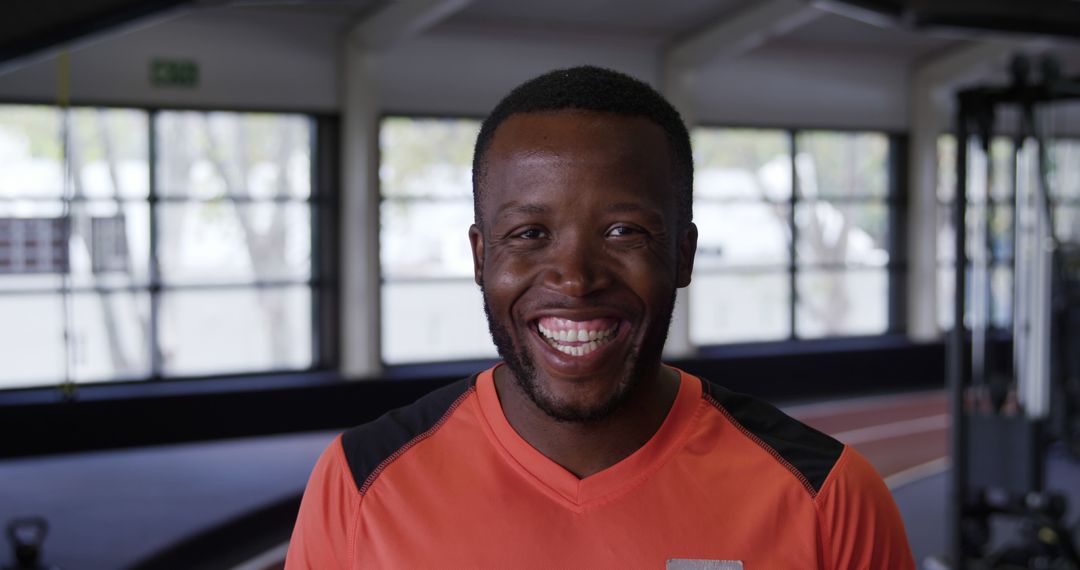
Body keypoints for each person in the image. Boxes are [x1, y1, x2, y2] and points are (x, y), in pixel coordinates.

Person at [285, 65, 915, 569]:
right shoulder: (359, 483)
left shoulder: (829, 497)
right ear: (481, 257)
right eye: (530, 233)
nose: (577, 279)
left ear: (683, 254)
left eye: (623, 231)